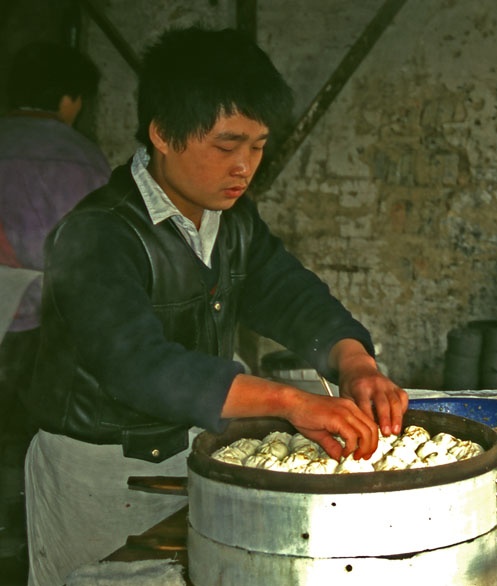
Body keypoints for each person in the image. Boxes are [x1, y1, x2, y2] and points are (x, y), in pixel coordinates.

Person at [21, 27, 407, 586]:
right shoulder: (98, 236)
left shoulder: (231, 222)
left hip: (192, 455)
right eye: (226, 146)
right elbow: (140, 365)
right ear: (163, 134)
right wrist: (288, 402)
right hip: (102, 476)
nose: (244, 167)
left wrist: (356, 363)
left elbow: (288, 294)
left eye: (257, 146)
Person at [0, 41, 110, 583]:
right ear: (70, 98)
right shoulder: (84, 157)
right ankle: (28, 547)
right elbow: (102, 249)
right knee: (37, 438)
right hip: (55, 323)